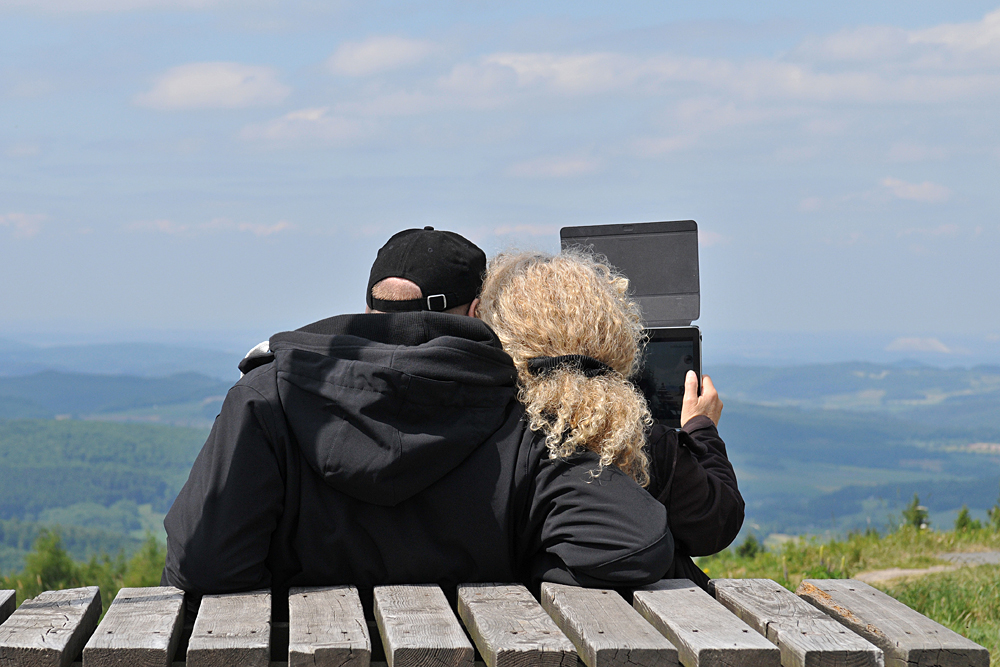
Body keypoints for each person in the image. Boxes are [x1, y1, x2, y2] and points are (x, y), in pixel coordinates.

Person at [161, 227, 673, 618]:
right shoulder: (522, 414)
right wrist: (526, 572)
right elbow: (632, 547)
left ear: (366, 307)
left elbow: (203, 561)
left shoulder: (266, 395)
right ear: (477, 313)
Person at [478, 250, 743, 590]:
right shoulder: (642, 441)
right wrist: (701, 431)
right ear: (611, 327)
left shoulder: (498, 433)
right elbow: (715, 526)